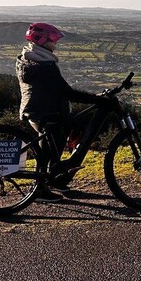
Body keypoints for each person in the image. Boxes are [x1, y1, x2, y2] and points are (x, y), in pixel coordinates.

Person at [16, 23, 111, 202]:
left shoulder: (29, 57)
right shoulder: (44, 65)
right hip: (45, 112)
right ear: (42, 40)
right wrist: (96, 99)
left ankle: (54, 181)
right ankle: (39, 190)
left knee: (54, 146)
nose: (55, 43)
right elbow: (65, 92)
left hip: (38, 109)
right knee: (48, 150)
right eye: (52, 39)